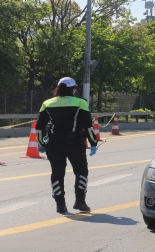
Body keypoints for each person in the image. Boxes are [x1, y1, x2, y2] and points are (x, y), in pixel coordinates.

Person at [36, 77, 98, 213]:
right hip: (75, 143)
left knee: (57, 173)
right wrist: (93, 143)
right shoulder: (80, 103)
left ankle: (60, 204)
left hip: (53, 144)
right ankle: (80, 201)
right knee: (81, 171)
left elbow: (39, 126)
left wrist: (40, 143)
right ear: (73, 89)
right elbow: (88, 126)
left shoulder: (47, 103)